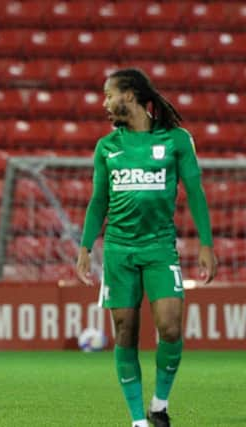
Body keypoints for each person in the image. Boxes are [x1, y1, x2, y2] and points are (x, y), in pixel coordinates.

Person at [75, 68, 217, 427]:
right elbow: (98, 201)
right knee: (125, 330)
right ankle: (139, 421)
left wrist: (206, 243)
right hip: (119, 252)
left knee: (169, 327)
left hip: (159, 248)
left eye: (109, 95)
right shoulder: (107, 147)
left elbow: (195, 192)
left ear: (130, 95)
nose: (104, 104)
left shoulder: (176, 140)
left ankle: (159, 404)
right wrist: (85, 246)